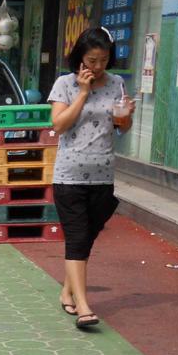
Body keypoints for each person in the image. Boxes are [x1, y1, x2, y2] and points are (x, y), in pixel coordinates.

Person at [48, 27, 135, 330]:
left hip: (103, 174)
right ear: (80, 59)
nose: (98, 67)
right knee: (77, 238)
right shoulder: (65, 84)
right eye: (92, 60)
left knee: (88, 236)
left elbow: (122, 128)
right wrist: (83, 93)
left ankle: (67, 291)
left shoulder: (117, 83)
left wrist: (126, 117)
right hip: (69, 174)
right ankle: (84, 307)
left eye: (103, 59)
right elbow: (59, 125)